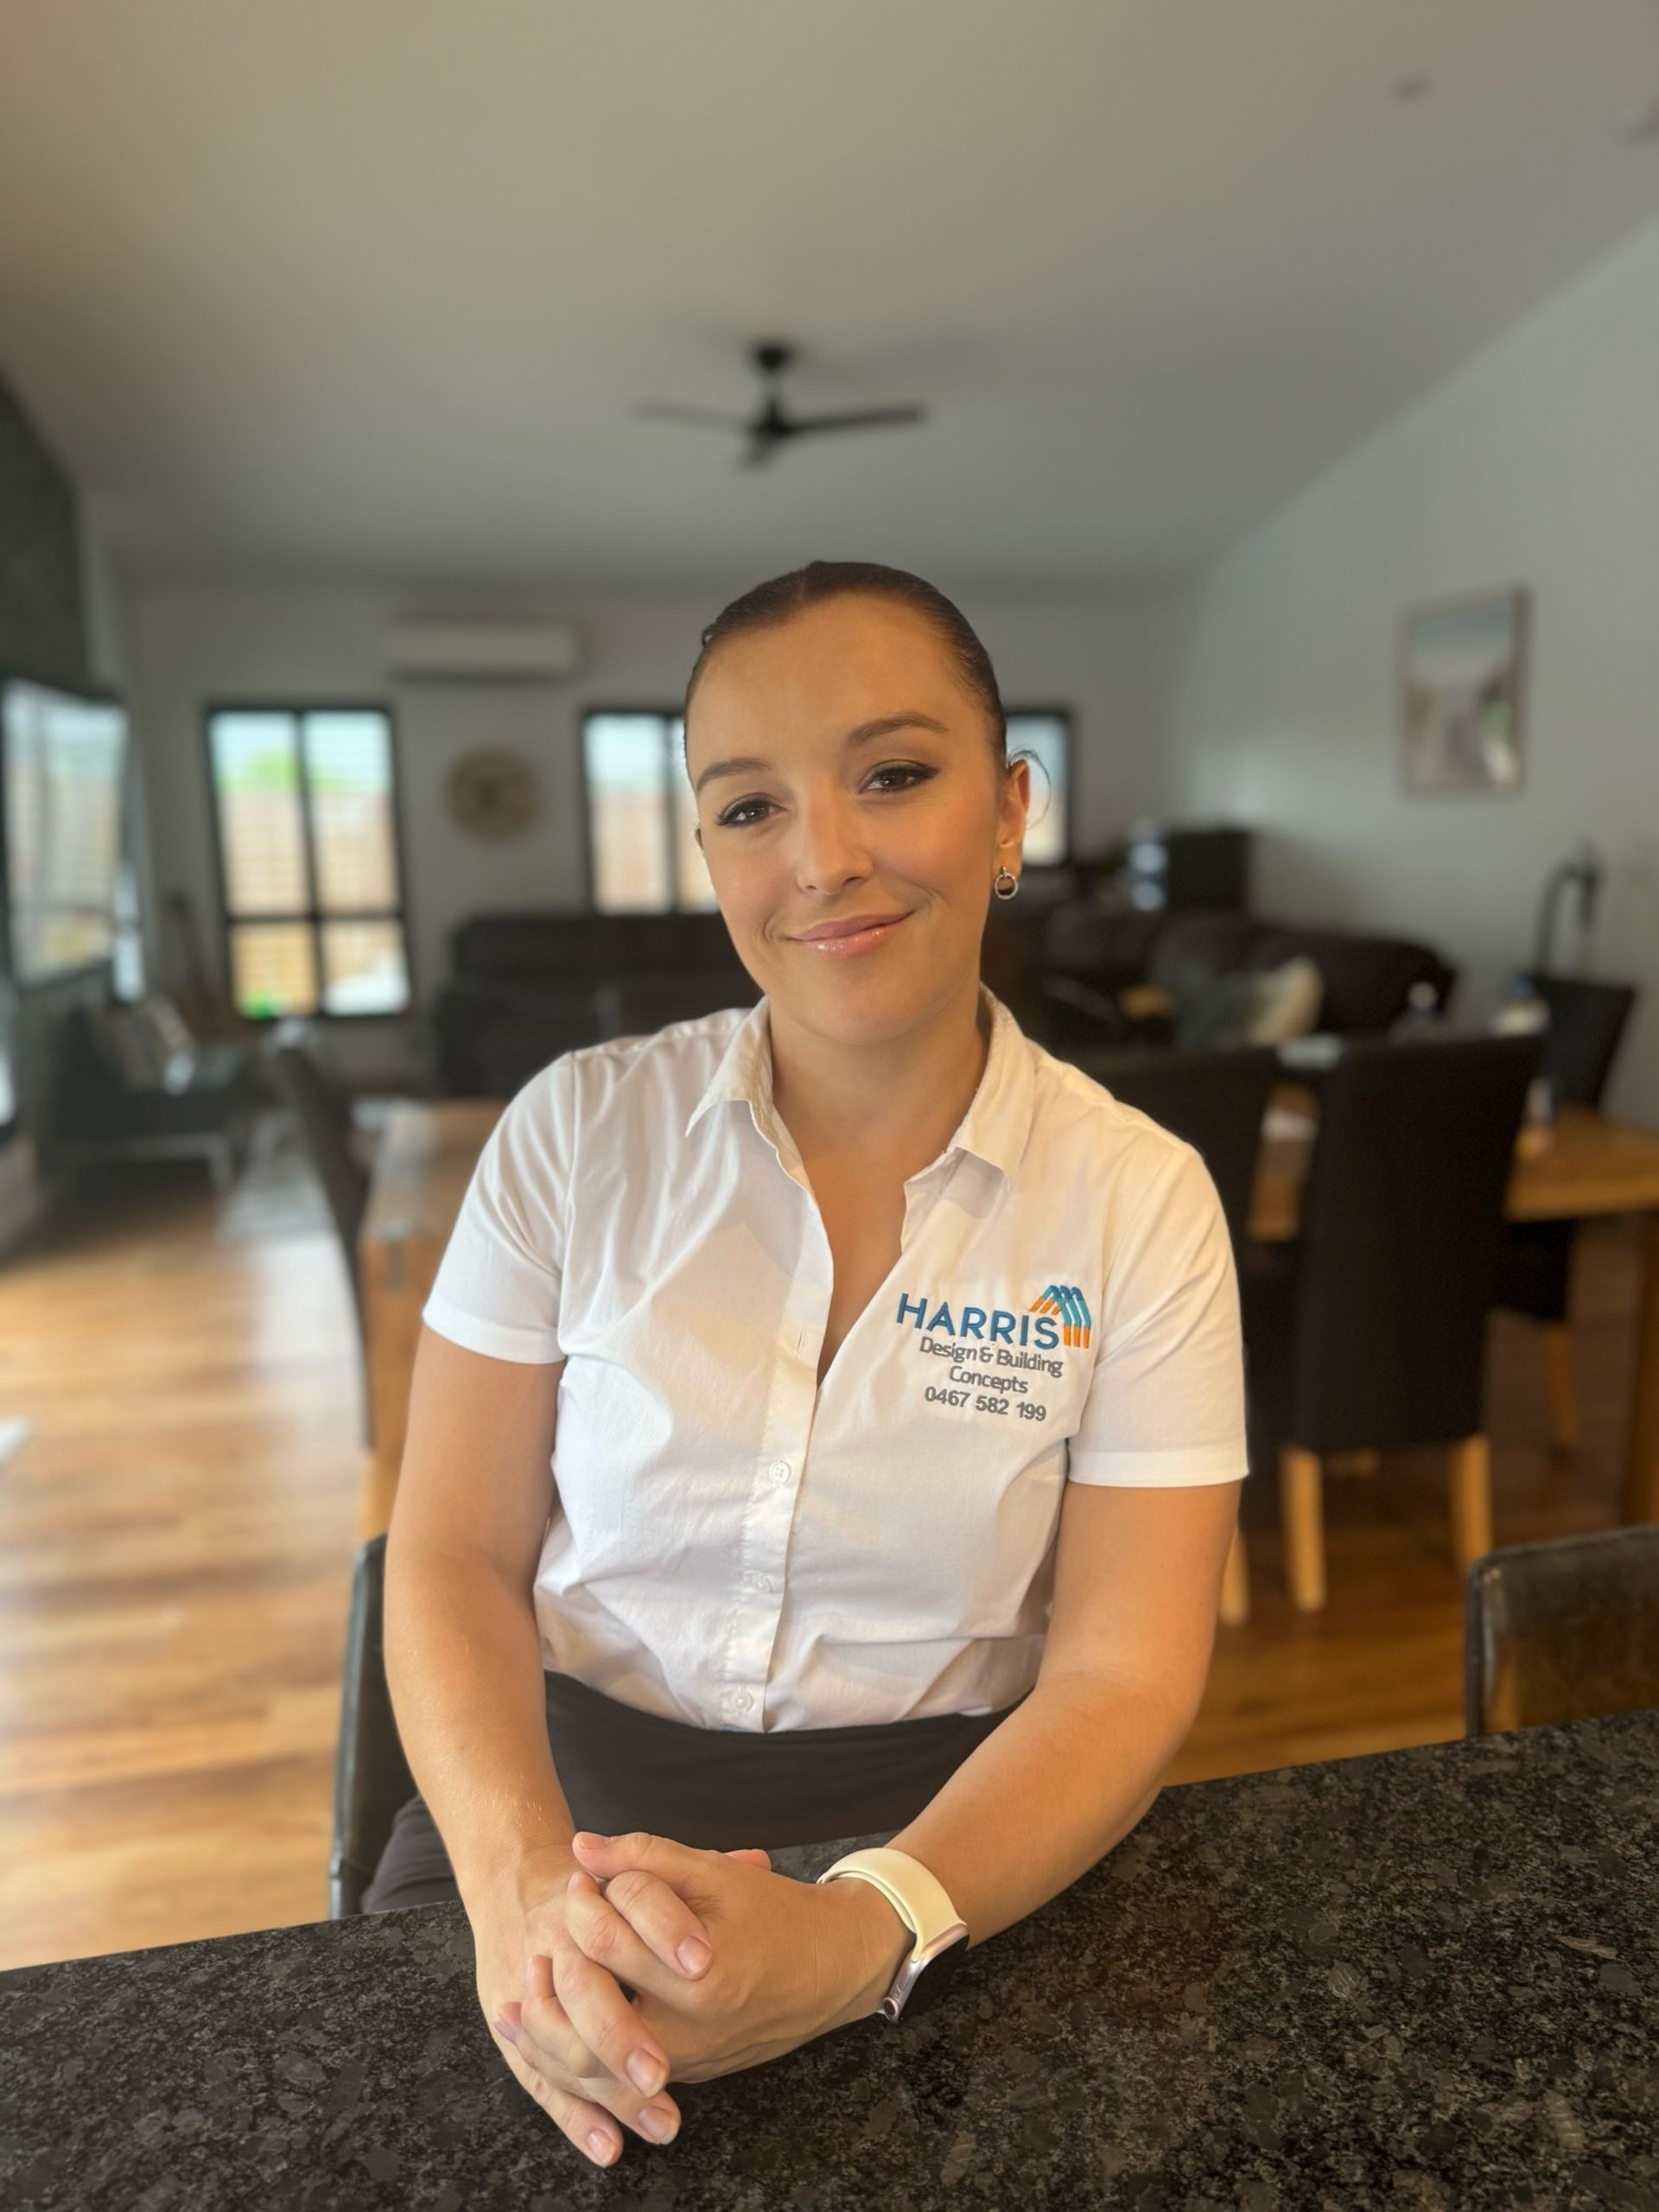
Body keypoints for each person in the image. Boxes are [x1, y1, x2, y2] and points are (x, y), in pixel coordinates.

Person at [371, 559, 1249, 2168]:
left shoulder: (1138, 1201)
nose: (823, 862)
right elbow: (446, 1553)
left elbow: (1124, 1674)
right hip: (554, 1801)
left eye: (895, 777)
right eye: (749, 808)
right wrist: (518, 1893)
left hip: (962, 1828)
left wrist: (869, 1929)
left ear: (1009, 812)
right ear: (705, 850)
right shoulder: (576, 1135)